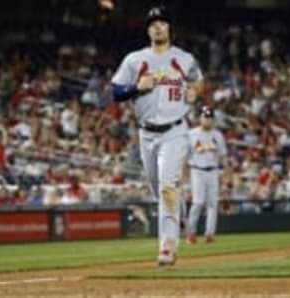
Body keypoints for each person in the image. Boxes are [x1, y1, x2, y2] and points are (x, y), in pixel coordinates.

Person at [111, 5, 203, 266]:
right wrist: (135, 87)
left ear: (169, 27)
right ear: (147, 29)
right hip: (147, 134)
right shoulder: (134, 60)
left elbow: (198, 80)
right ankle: (181, 212)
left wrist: (196, 91)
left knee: (166, 187)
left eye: (162, 22)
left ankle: (167, 246)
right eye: (153, 23)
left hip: (175, 130)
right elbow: (116, 93)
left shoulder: (184, 58)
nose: (158, 26)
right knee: (159, 190)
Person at [186, 106, 227, 244]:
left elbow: (223, 156)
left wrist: (226, 172)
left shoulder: (218, 135)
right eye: (205, 117)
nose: (207, 120)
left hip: (213, 171)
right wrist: (182, 173)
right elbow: (185, 155)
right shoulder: (192, 134)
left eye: (209, 118)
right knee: (198, 202)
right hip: (197, 170)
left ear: (213, 120)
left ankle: (209, 234)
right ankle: (191, 232)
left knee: (212, 204)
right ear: (200, 118)